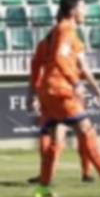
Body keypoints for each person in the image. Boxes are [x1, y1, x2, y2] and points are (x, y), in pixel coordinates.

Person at [33, 0, 100, 197]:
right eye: (83, 7)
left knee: (55, 140)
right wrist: (76, 81)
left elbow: (36, 62)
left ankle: (42, 188)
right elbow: (61, 58)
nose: (85, 11)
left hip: (48, 91)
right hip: (61, 89)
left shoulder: (52, 34)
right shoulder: (67, 30)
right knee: (87, 131)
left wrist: (37, 89)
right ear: (73, 11)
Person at [26, 30, 93, 184]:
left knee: (55, 135)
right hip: (63, 93)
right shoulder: (68, 42)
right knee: (75, 134)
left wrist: (35, 93)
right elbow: (82, 66)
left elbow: (37, 69)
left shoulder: (48, 45)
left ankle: (49, 176)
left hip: (60, 93)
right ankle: (83, 173)